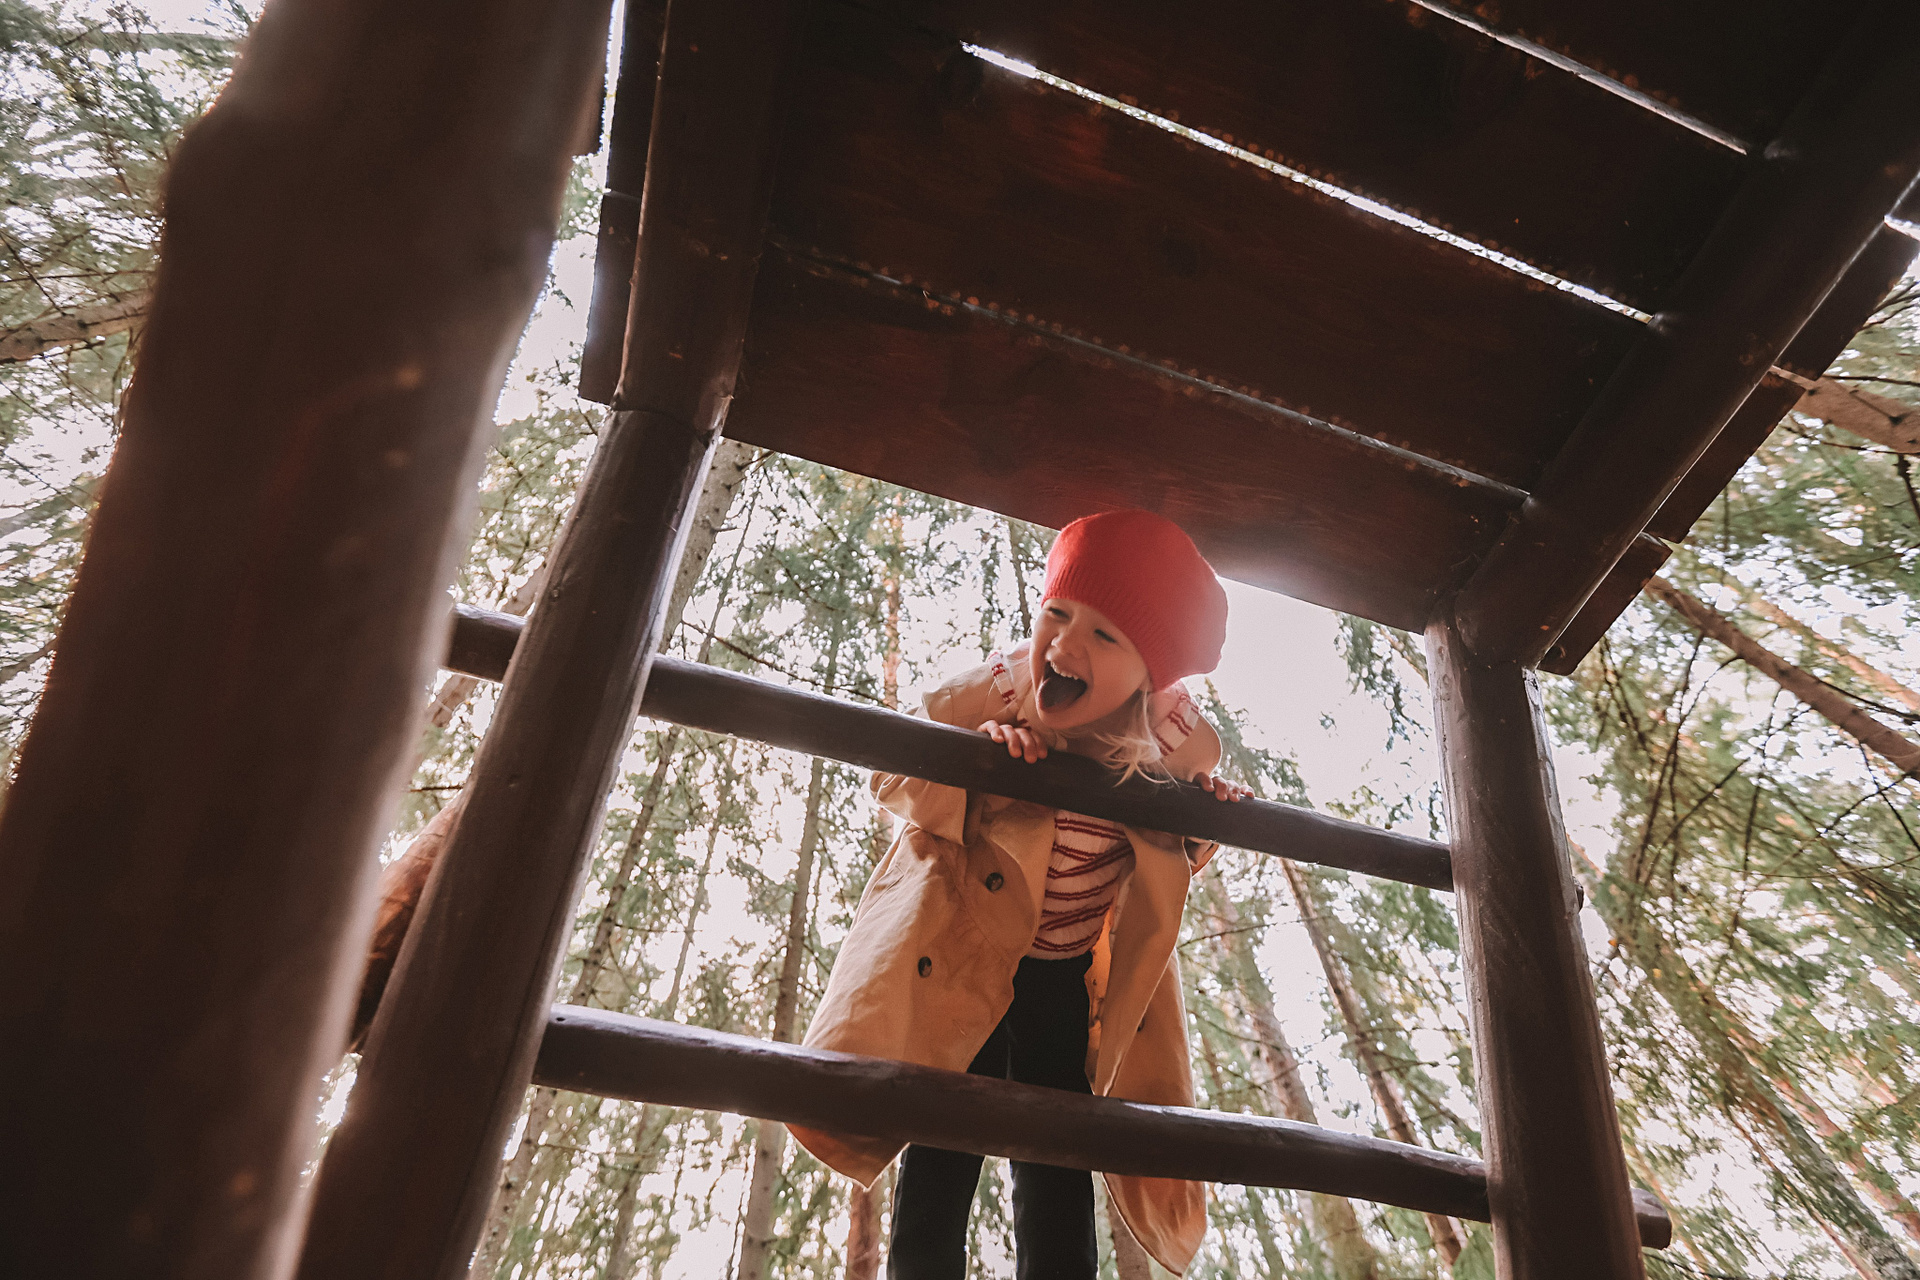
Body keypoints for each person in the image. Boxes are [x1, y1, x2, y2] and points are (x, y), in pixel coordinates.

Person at [788, 509, 1248, 1279]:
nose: (1064, 645)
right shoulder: (1000, 691)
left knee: (1057, 1143)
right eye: (1056, 613)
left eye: (1105, 635)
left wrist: (1207, 815)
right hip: (966, 946)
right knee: (943, 1129)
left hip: (1062, 972)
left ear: (1152, 672)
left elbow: (1172, 859)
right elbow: (892, 769)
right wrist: (978, 761)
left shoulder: (1176, 743)